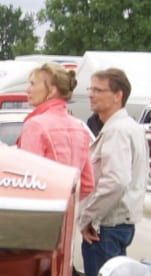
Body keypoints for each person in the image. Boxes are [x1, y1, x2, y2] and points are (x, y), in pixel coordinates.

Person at [77, 67, 147, 276]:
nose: (90, 95)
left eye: (98, 90)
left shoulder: (117, 130)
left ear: (118, 96)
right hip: (114, 225)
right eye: (90, 89)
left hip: (106, 228)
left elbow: (115, 181)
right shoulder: (125, 127)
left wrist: (87, 217)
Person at [15, 62, 94, 198]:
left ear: (51, 91)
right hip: (67, 213)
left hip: (40, 211)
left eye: (33, 84)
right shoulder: (79, 128)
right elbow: (87, 184)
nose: (27, 90)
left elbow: (28, 179)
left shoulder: (35, 125)